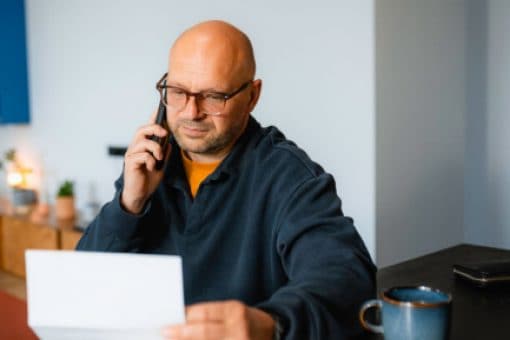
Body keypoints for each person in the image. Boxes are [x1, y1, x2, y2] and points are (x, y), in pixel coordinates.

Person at [77, 20, 376, 340]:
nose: (191, 112)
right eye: (177, 92)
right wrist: (129, 205)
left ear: (252, 96)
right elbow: (82, 287)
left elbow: (347, 281)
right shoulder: (151, 165)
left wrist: (271, 324)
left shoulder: (290, 178)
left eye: (213, 96)